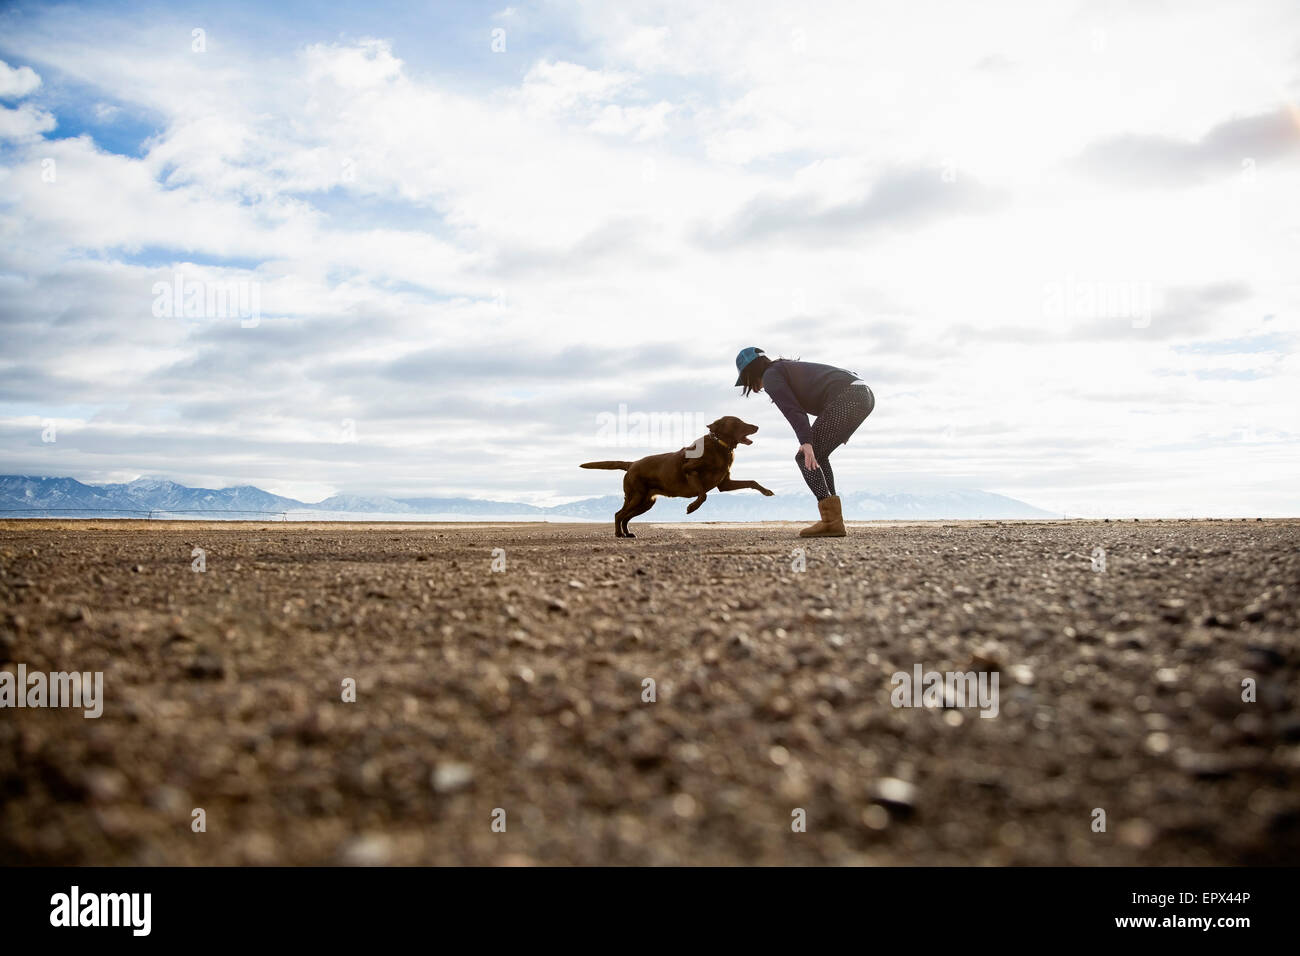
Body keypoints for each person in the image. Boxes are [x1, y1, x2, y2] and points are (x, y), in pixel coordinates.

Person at [734, 346, 874, 537]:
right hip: (862, 394)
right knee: (819, 455)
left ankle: (831, 521)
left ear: (751, 371)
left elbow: (793, 411)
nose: (752, 387)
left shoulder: (771, 376)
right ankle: (834, 520)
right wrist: (846, 427)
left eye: (745, 380)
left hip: (849, 397)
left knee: (803, 457)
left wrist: (806, 442)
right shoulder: (783, 369)